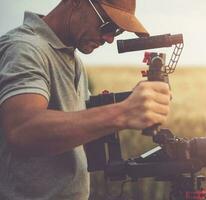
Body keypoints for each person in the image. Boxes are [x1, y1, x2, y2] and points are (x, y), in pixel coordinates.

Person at [0, 0, 171, 199]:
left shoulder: (72, 58)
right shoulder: (24, 48)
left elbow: (75, 124)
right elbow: (24, 129)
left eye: (117, 31)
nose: (109, 38)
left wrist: (135, 101)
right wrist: (124, 112)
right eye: (107, 25)